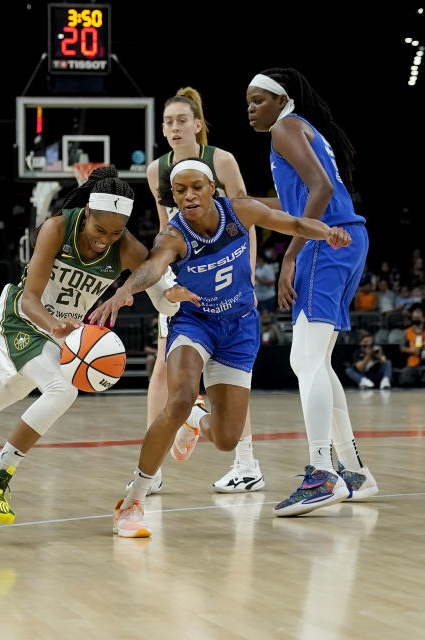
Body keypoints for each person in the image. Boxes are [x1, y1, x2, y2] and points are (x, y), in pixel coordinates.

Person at [0, 166, 182, 524]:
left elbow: (157, 281)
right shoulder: (56, 228)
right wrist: (56, 327)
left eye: (116, 232)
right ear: (86, 213)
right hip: (23, 319)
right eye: (99, 229)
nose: (105, 239)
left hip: (59, 334)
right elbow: (29, 299)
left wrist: (166, 295)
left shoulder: (125, 247)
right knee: (63, 392)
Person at [94, 159, 352, 536]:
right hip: (194, 322)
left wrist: (326, 231)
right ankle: (134, 499)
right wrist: (124, 290)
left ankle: (196, 419)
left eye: (196, 186)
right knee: (178, 398)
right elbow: (153, 267)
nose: (188, 196)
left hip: (239, 328)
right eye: (180, 190)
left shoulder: (239, 211)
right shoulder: (174, 235)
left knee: (228, 438)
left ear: (212, 187)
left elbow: (293, 224)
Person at [247, 68, 379, 515]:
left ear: (281, 100)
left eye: (258, 100)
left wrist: (290, 255)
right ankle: (354, 473)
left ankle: (322, 473)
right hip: (344, 237)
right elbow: (296, 203)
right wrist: (238, 201)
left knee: (304, 358)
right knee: (315, 360)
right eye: (248, 101)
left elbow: (320, 190)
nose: (250, 108)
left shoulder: (285, 128)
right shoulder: (302, 129)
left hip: (328, 240)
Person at [144, 87, 262, 495]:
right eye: (168, 122)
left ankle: (246, 463)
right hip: (184, 281)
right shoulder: (157, 170)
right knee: (162, 367)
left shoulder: (221, 161)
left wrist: (248, 271)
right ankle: (153, 467)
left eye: (181, 120)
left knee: (228, 377)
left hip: (228, 279)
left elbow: (247, 217)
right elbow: (165, 229)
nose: (174, 128)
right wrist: (163, 284)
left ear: (198, 125)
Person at [398, 305, 425, 386]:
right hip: (412, 364)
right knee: (405, 379)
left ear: (423, 319)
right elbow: (401, 347)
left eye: (418, 318)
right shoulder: (408, 332)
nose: (416, 320)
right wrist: (411, 350)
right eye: (414, 318)